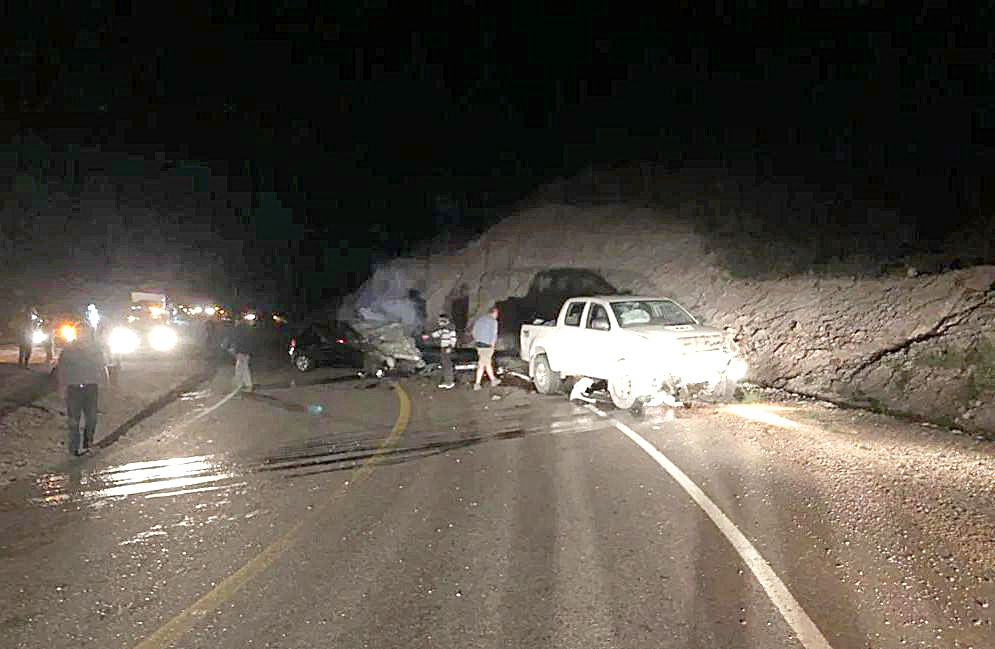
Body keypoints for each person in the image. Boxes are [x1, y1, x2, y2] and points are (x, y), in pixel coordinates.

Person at [56, 324, 108, 456]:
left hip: (90, 387)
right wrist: (62, 387)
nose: (82, 335)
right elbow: (62, 369)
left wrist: (104, 382)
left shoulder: (95, 349)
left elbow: (102, 366)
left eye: (85, 332)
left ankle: (88, 442)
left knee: (91, 418)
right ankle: (74, 448)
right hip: (74, 388)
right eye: (80, 332)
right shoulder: (68, 350)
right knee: (74, 420)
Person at [471, 306, 501, 391]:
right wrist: (493, 345)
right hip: (487, 345)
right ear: (494, 313)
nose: (497, 315)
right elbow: (494, 334)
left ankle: (493, 380)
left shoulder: (480, 319)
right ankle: (477, 384)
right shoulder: (493, 321)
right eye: (497, 313)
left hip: (479, 344)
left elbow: (473, 332)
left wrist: (477, 340)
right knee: (482, 364)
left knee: (486, 362)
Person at [430, 314, 457, 389]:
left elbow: (453, 339)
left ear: (445, 321)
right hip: (444, 348)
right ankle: (447, 381)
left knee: (447, 366)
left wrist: (450, 347)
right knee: (445, 365)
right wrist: (428, 336)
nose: (438, 322)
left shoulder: (450, 328)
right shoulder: (444, 329)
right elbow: (436, 334)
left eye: (440, 321)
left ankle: (449, 382)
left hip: (446, 349)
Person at [230, 321, 254, 391]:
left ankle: (245, 384)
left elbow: (236, 341)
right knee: (242, 367)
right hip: (245, 351)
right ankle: (242, 383)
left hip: (241, 351)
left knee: (242, 367)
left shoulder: (238, 331)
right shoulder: (247, 331)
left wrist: (234, 349)